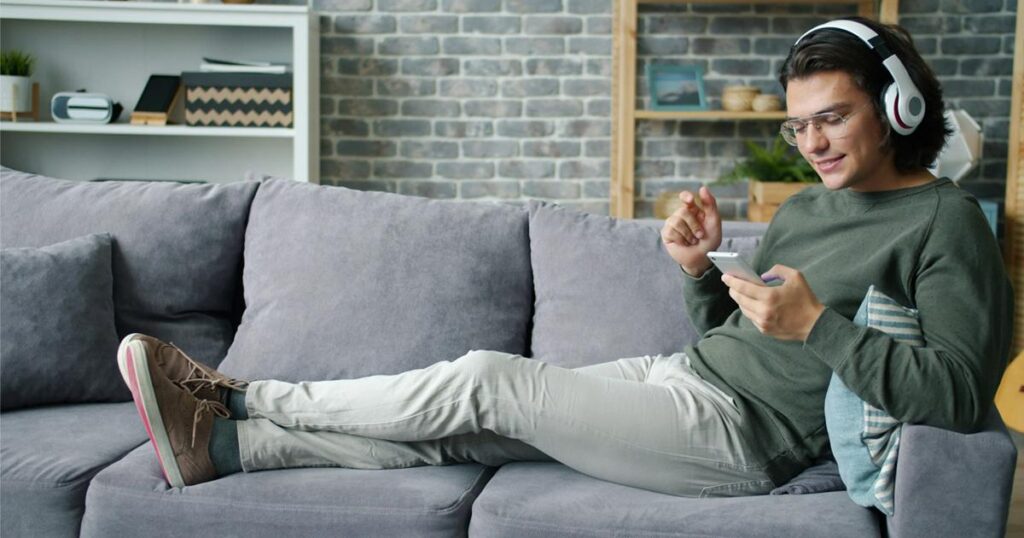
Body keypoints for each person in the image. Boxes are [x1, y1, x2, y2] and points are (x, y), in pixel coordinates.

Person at [120, 16, 1012, 496]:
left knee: (487, 380)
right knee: (469, 430)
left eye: (834, 117)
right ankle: (230, 454)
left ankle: (238, 393)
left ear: (897, 108)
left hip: (744, 439)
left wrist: (817, 325)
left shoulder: (947, 225)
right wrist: (702, 272)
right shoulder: (812, 204)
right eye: (798, 121)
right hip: (685, 376)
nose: (811, 142)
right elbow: (742, 328)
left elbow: (965, 395)